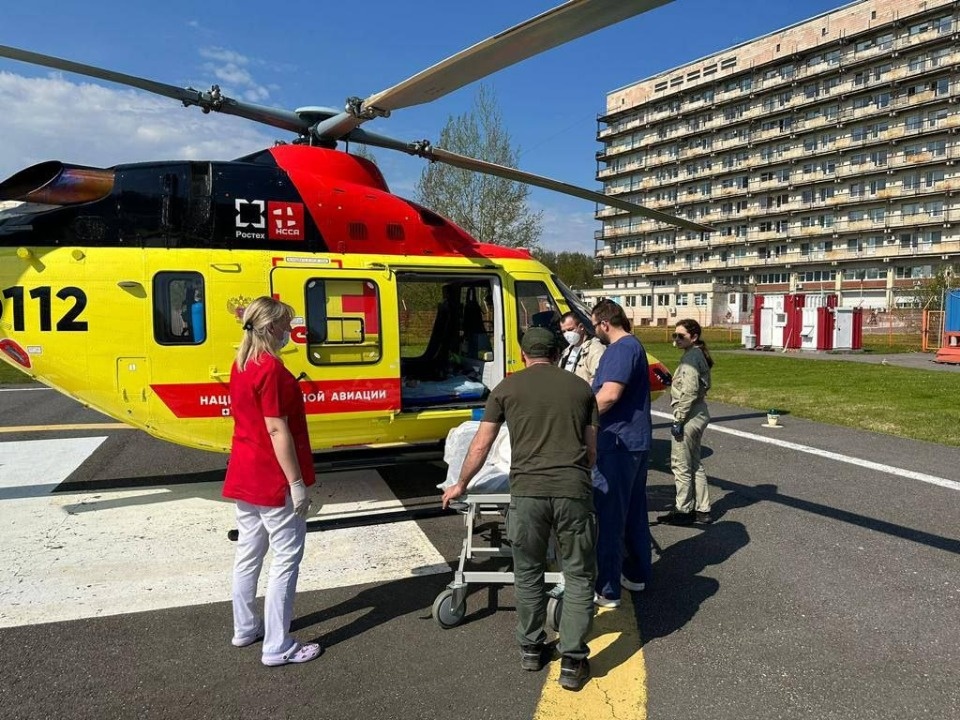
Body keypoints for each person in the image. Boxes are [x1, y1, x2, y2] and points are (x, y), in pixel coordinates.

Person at [442, 327, 598, 692]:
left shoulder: (506, 389)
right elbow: (592, 451)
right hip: (571, 491)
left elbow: (481, 445)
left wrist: (461, 483)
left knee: (527, 572)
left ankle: (531, 648)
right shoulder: (581, 389)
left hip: (526, 494)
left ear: (524, 354)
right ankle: (573, 661)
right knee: (578, 575)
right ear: (557, 354)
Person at [222, 296, 321, 667]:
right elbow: (278, 429)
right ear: (272, 327)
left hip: (245, 472)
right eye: (287, 324)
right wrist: (296, 483)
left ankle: (245, 627)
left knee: (249, 554)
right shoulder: (272, 370)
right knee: (286, 558)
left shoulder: (241, 364)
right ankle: (278, 646)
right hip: (272, 477)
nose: (290, 331)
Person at [589, 299, 653, 607]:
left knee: (611, 515)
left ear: (604, 323)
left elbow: (609, 395)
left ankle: (608, 588)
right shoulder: (634, 347)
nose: (594, 332)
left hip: (617, 443)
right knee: (634, 509)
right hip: (633, 441)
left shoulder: (620, 349)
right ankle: (636, 573)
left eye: (594, 326)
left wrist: (578, 416)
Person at [659, 319, 714, 526]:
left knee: (681, 464)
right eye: (675, 335)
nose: (676, 339)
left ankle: (683, 510)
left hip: (689, 415)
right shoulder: (696, 354)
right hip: (698, 412)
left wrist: (679, 419)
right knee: (694, 462)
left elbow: (690, 391)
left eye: (681, 336)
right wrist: (671, 382)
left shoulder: (691, 357)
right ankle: (703, 509)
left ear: (694, 337)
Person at [558, 311, 605, 386]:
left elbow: (597, 379)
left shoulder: (595, 349)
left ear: (581, 327)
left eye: (570, 329)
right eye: (564, 331)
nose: (567, 334)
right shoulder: (566, 352)